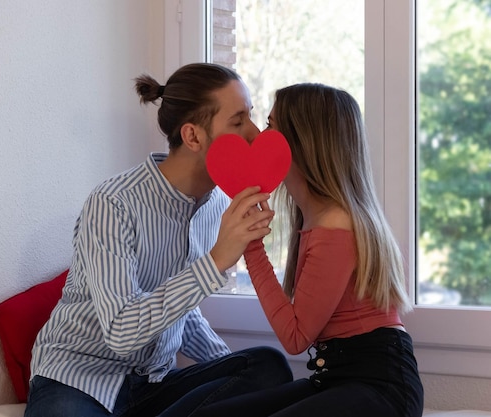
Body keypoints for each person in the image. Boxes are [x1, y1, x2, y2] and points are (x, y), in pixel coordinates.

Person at [24, 63, 293, 417]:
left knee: (266, 366)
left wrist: (230, 373)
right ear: (194, 137)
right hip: (79, 379)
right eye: (238, 121)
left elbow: (182, 311)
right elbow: (121, 332)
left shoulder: (215, 205)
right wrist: (213, 263)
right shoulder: (113, 203)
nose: (256, 133)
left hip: (155, 384)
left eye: (252, 117)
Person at [192, 83, 424, 417]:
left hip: (381, 385)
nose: (257, 135)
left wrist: (252, 246)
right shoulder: (316, 216)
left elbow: (296, 337)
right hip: (338, 376)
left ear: (303, 141)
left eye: (271, 126)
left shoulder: (336, 225)